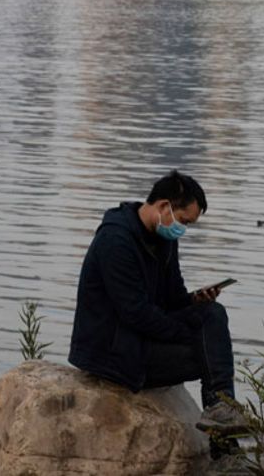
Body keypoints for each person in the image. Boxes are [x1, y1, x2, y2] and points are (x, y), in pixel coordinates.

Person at [68, 170, 245, 434]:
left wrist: (194, 301)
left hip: (140, 338)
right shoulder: (116, 241)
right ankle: (224, 446)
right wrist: (191, 335)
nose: (182, 230)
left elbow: (172, 298)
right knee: (208, 355)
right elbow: (135, 313)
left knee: (212, 313)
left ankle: (220, 410)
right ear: (164, 206)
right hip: (112, 351)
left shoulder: (164, 240)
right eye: (184, 221)